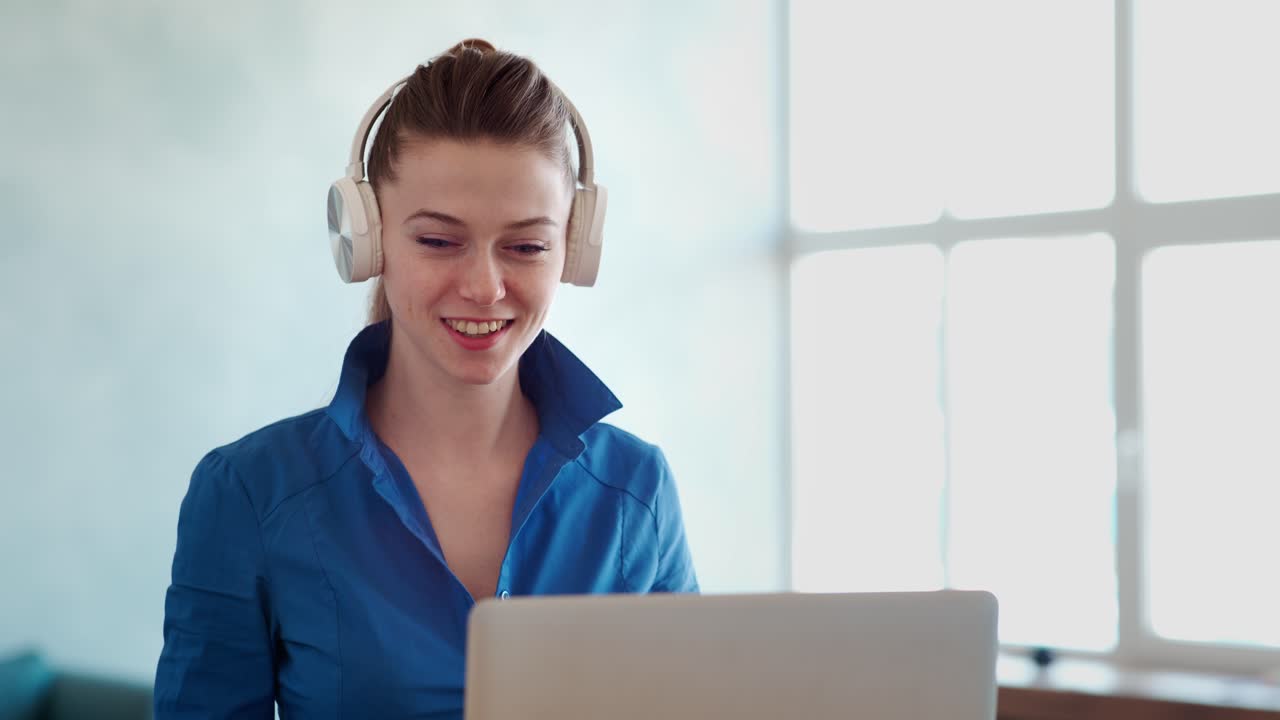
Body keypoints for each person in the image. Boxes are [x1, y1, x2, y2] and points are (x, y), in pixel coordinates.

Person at [153, 38, 698, 719]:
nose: (483, 286)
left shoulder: (636, 493)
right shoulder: (249, 494)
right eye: (438, 241)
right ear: (370, 238)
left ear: (573, 251)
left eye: (526, 246)